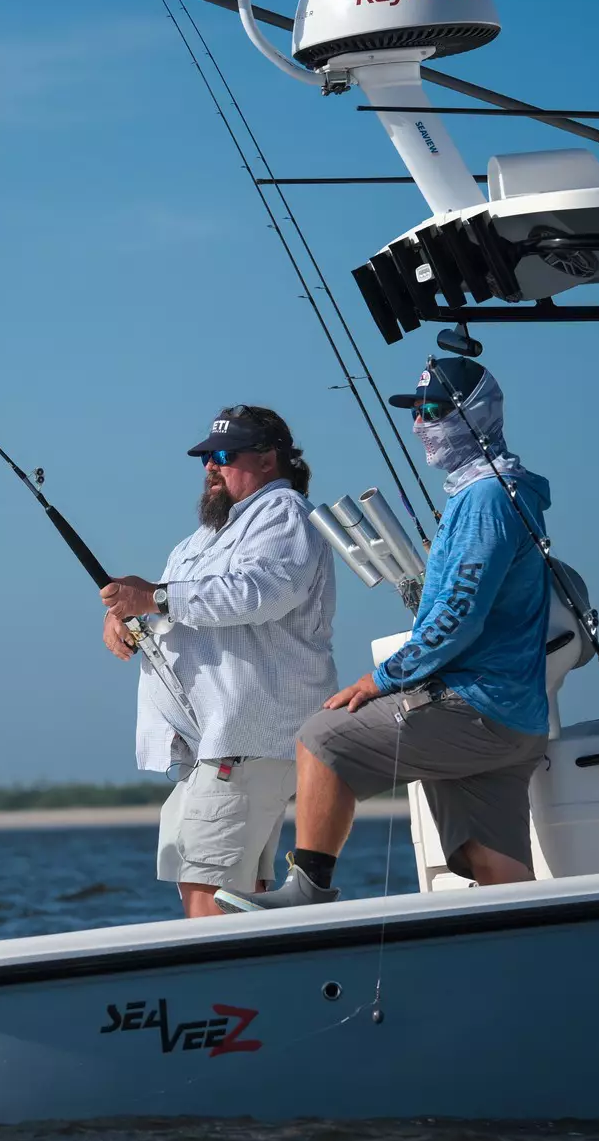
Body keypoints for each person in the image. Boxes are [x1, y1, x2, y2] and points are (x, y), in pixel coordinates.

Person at [218, 357, 552, 911]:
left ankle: (308, 890)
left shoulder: (485, 498)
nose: (421, 423)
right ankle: (533, 945)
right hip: (515, 717)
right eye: (415, 412)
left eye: (435, 411)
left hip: (475, 705)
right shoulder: (502, 491)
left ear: (477, 415)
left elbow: (458, 617)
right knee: (495, 865)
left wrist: (382, 680)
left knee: (322, 738)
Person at [98, 405, 337, 918]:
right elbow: (170, 604)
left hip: (245, 742)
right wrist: (126, 619)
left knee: (208, 894)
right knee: (226, 889)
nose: (210, 467)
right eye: (205, 457)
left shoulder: (284, 513)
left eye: (223, 456)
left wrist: (155, 599)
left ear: (269, 460)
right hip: (210, 749)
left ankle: (224, 995)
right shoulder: (198, 541)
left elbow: (262, 593)